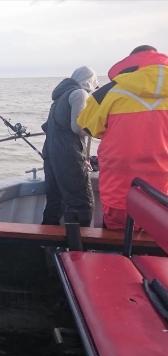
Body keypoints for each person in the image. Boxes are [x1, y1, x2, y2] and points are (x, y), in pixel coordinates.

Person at [77, 45, 168, 230]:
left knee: (117, 242)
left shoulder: (110, 91)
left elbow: (85, 126)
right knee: (156, 243)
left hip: (119, 191)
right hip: (162, 194)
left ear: (132, 61)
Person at [41, 66, 98, 227]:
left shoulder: (59, 97)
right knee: (81, 204)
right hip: (69, 157)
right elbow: (77, 127)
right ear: (90, 81)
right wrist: (96, 127)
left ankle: (47, 245)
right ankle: (78, 248)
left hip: (51, 155)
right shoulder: (80, 94)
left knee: (54, 201)